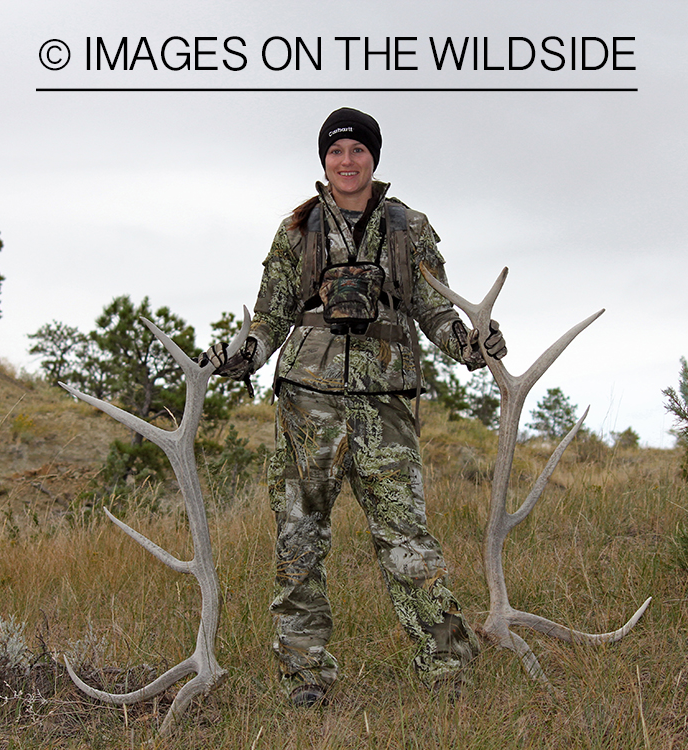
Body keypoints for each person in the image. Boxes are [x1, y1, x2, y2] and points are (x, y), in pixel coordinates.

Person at [200, 107, 507, 706]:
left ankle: (448, 671)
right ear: (324, 160)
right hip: (307, 405)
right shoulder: (297, 230)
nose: (347, 161)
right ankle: (306, 678)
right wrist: (244, 354)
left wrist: (470, 345)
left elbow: (434, 308)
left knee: (408, 542)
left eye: (358, 151)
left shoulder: (408, 227)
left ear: (374, 158)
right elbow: (270, 316)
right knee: (299, 543)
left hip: (386, 406)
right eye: (337, 151)